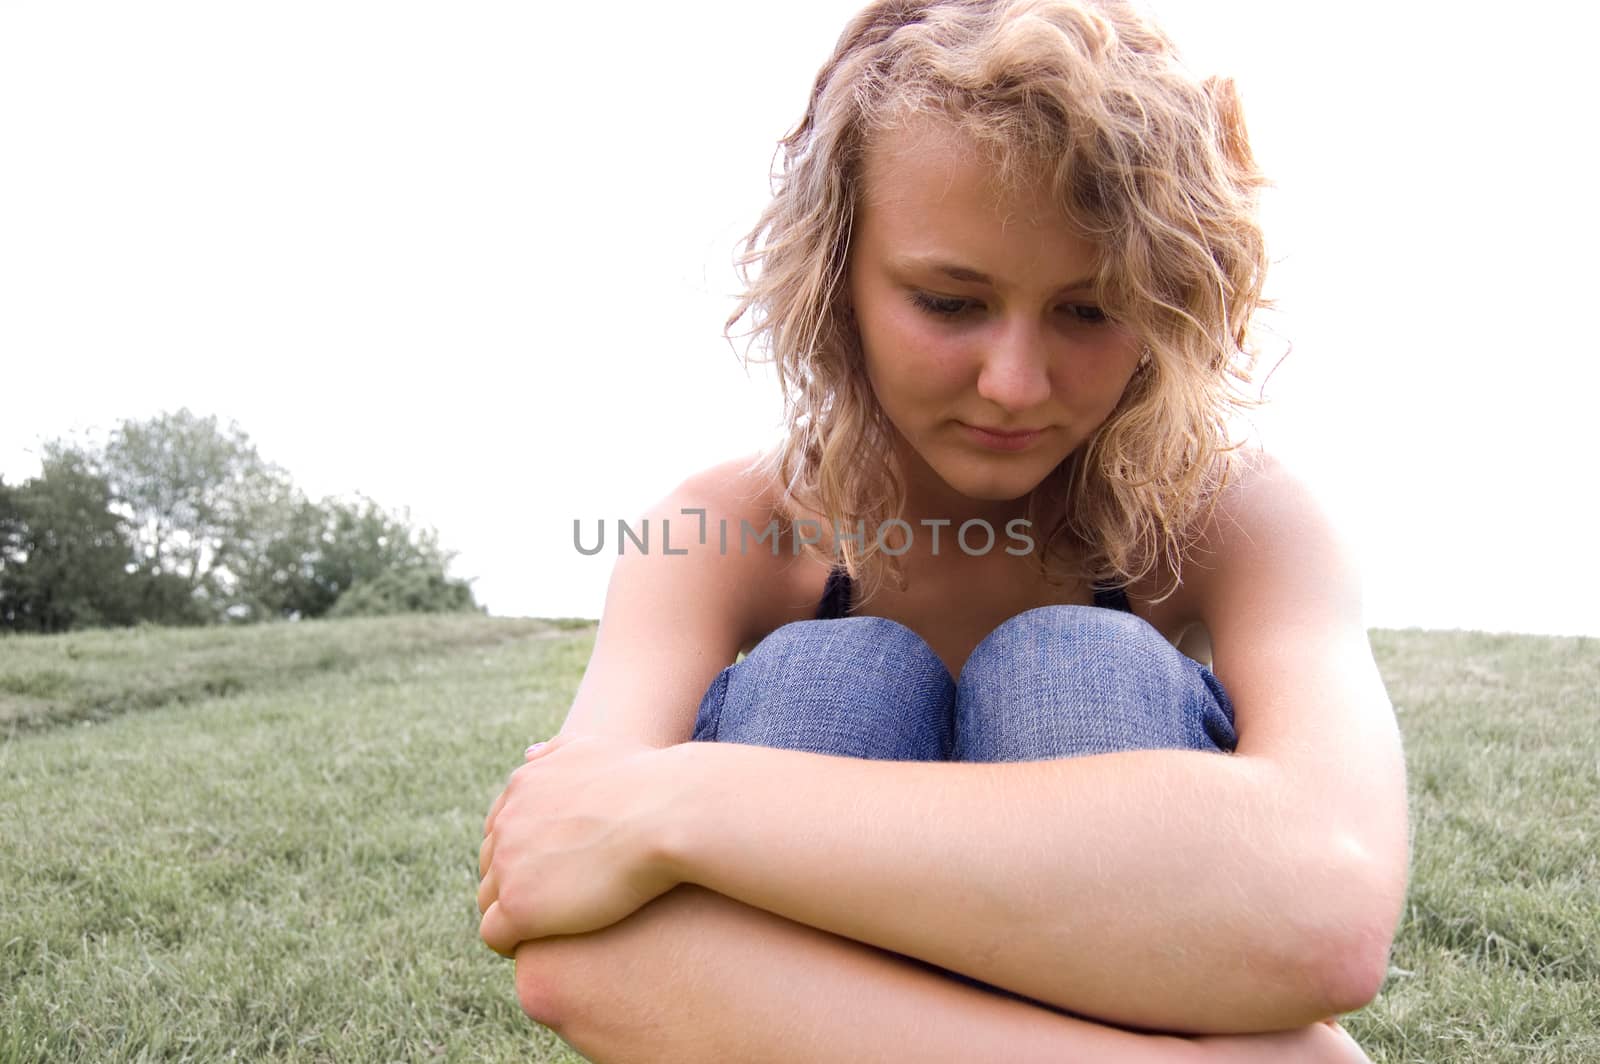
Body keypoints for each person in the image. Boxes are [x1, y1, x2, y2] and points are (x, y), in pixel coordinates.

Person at [477, 1, 1410, 1059]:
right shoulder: (718, 528)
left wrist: (671, 801)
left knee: (1077, 664)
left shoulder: (1229, 519)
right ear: (836, 280)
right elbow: (570, 944)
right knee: (833, 677)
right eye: (948, 301)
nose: (1014, 383)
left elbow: (1326, 903)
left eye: (1089, 310)